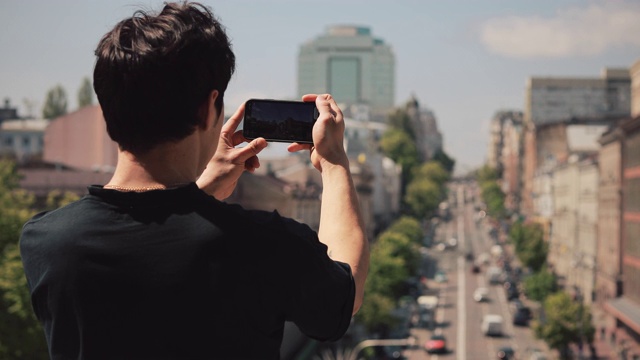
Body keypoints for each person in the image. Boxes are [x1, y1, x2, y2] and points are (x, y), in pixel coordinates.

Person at [19, 2, 369, 359]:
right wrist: (334, 162)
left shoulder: (46, 243)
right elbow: (347, 292)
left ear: (108, 108)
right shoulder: (265, 245)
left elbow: (153, 248)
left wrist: (201, 195)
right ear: (208, 108)